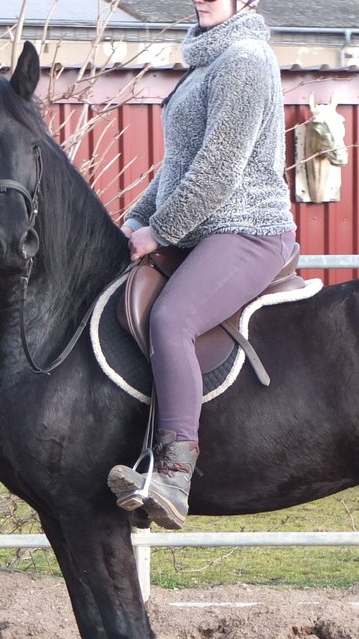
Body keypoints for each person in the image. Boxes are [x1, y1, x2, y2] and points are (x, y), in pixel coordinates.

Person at [107, 0, 297, 529]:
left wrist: (160, 231)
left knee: (172, 320)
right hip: (201, 229)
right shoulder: (206, 63)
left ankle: (173, 475)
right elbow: (177, 168)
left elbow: (218, 168)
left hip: (248, 228)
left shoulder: (244, 58)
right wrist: (133, 222)